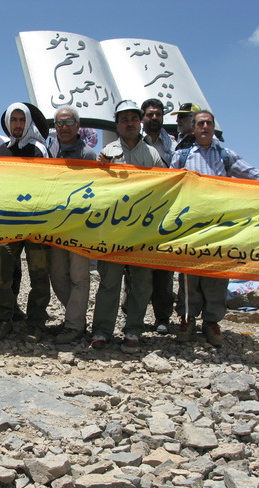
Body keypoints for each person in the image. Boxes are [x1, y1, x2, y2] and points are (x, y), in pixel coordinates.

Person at [171, 110, 259, 346]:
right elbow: (169, 184)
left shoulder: (226, 155)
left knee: (217, 275)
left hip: (221, 228)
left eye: (208, 123)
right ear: (194, 128)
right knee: (189, 277)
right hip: (190, 227)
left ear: (213, 127)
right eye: (200, 123)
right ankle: (187, 319)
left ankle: (211, 321)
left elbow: (253, 173)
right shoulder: (182, 156)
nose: (205, 127)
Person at [93, 101, 164, 352]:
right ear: (117, 124)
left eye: (134, 118)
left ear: (140, 121)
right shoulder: (106, 152)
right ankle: (102, 331)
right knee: (109, 282)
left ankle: (133, 329)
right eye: (124, 119)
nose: (129, 123)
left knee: (142, 282)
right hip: (113, 230)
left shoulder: (153, 155)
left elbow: (163, 189)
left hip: (142, 231)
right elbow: (97, 189)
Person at [0, 102, 51, 342]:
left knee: (39, 273)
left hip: (35, 222)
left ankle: (36, 323)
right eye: (13, 120)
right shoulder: (2, 150)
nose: (17, 124)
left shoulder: (39, 149)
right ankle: (3, 320)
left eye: (21, 120)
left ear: (28, 122)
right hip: (8, 221)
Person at [47, 106, 97, 344]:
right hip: (55, 224)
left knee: (79, 277)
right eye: (59, 123)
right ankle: (74, 317)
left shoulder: (88, 154)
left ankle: (74, 324)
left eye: (68, 123)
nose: (63, 127)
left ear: (78, 126)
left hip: (79, 225)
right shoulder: (50, 149)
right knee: (57, 276)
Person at [139, 99, 177, 334]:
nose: (154, 118)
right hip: (136, 214)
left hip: (165, 213)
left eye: (158, 115)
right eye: (150, 115)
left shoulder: (174, 145)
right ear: (143, 117)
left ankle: (162, 317)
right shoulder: (132, 140)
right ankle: (133, 315)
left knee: (163, 269)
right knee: (135, 267)